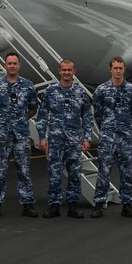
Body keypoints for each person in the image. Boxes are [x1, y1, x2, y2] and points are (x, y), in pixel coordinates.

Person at [0, 52, 39, 218]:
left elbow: (33, 108)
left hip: (21, 135)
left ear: (19, 65)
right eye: (9, 63)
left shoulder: (28, 86)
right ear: (5, 65)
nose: (12, 66)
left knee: (24, 170)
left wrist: (20, 120)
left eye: (15, 63)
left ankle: (27, 204)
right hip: (2, 135)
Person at [36, 59, 93, 218]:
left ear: (74, 71)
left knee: (74, 173)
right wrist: (42, 137)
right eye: (64, 70)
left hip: (74, 141)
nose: (67, 73)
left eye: (69, 70)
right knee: (54, 173)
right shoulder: (50, 91)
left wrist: (87, 138)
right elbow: (42, 116)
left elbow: (87, 117)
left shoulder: (80, 93)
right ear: (59, 71)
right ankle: (54, 204)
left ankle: (73, 205)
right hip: (55, 140)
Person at [90, 57, 132, 218]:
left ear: (124, 70)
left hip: (125, 137)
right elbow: (97, 113)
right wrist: (107, 127)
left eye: (120, 68)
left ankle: (127, 204)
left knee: (127, 172)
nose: (118, 71)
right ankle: (99, 203)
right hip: (108, 137)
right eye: (115, 68)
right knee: (103, 171)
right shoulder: (101, 90)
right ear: (110, 70)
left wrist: (125, 127)